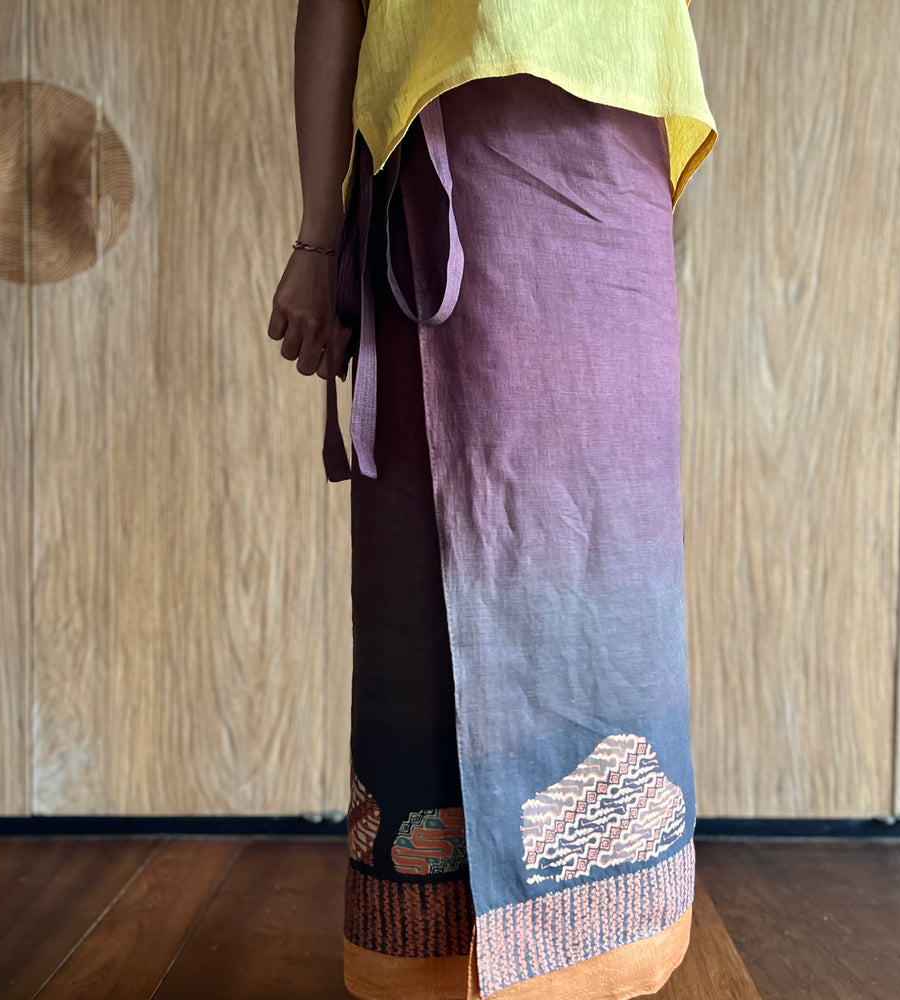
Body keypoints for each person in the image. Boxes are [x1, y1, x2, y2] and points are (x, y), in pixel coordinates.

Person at [268, 2, 717, 998]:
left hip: (616, 165)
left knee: (608, 551)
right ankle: (428, 954)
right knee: (429, 577)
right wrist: (318, 237)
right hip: (453, 152)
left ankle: (603, 949)